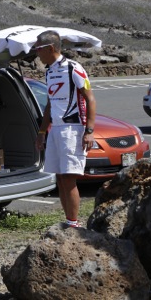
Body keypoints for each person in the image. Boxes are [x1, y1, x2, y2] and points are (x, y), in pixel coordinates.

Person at [33, 30, 96, 228]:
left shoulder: (73, 68)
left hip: (72, 128)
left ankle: (74, 224)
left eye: (38, 49)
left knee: (69, 178)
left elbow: (90, 99)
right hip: (56, 129)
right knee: (60, 178)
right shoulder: (50, 71)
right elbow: (50, 105)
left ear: (50, 48)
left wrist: (89, 131)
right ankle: (68, 221)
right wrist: (42, 132)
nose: (37, 54)